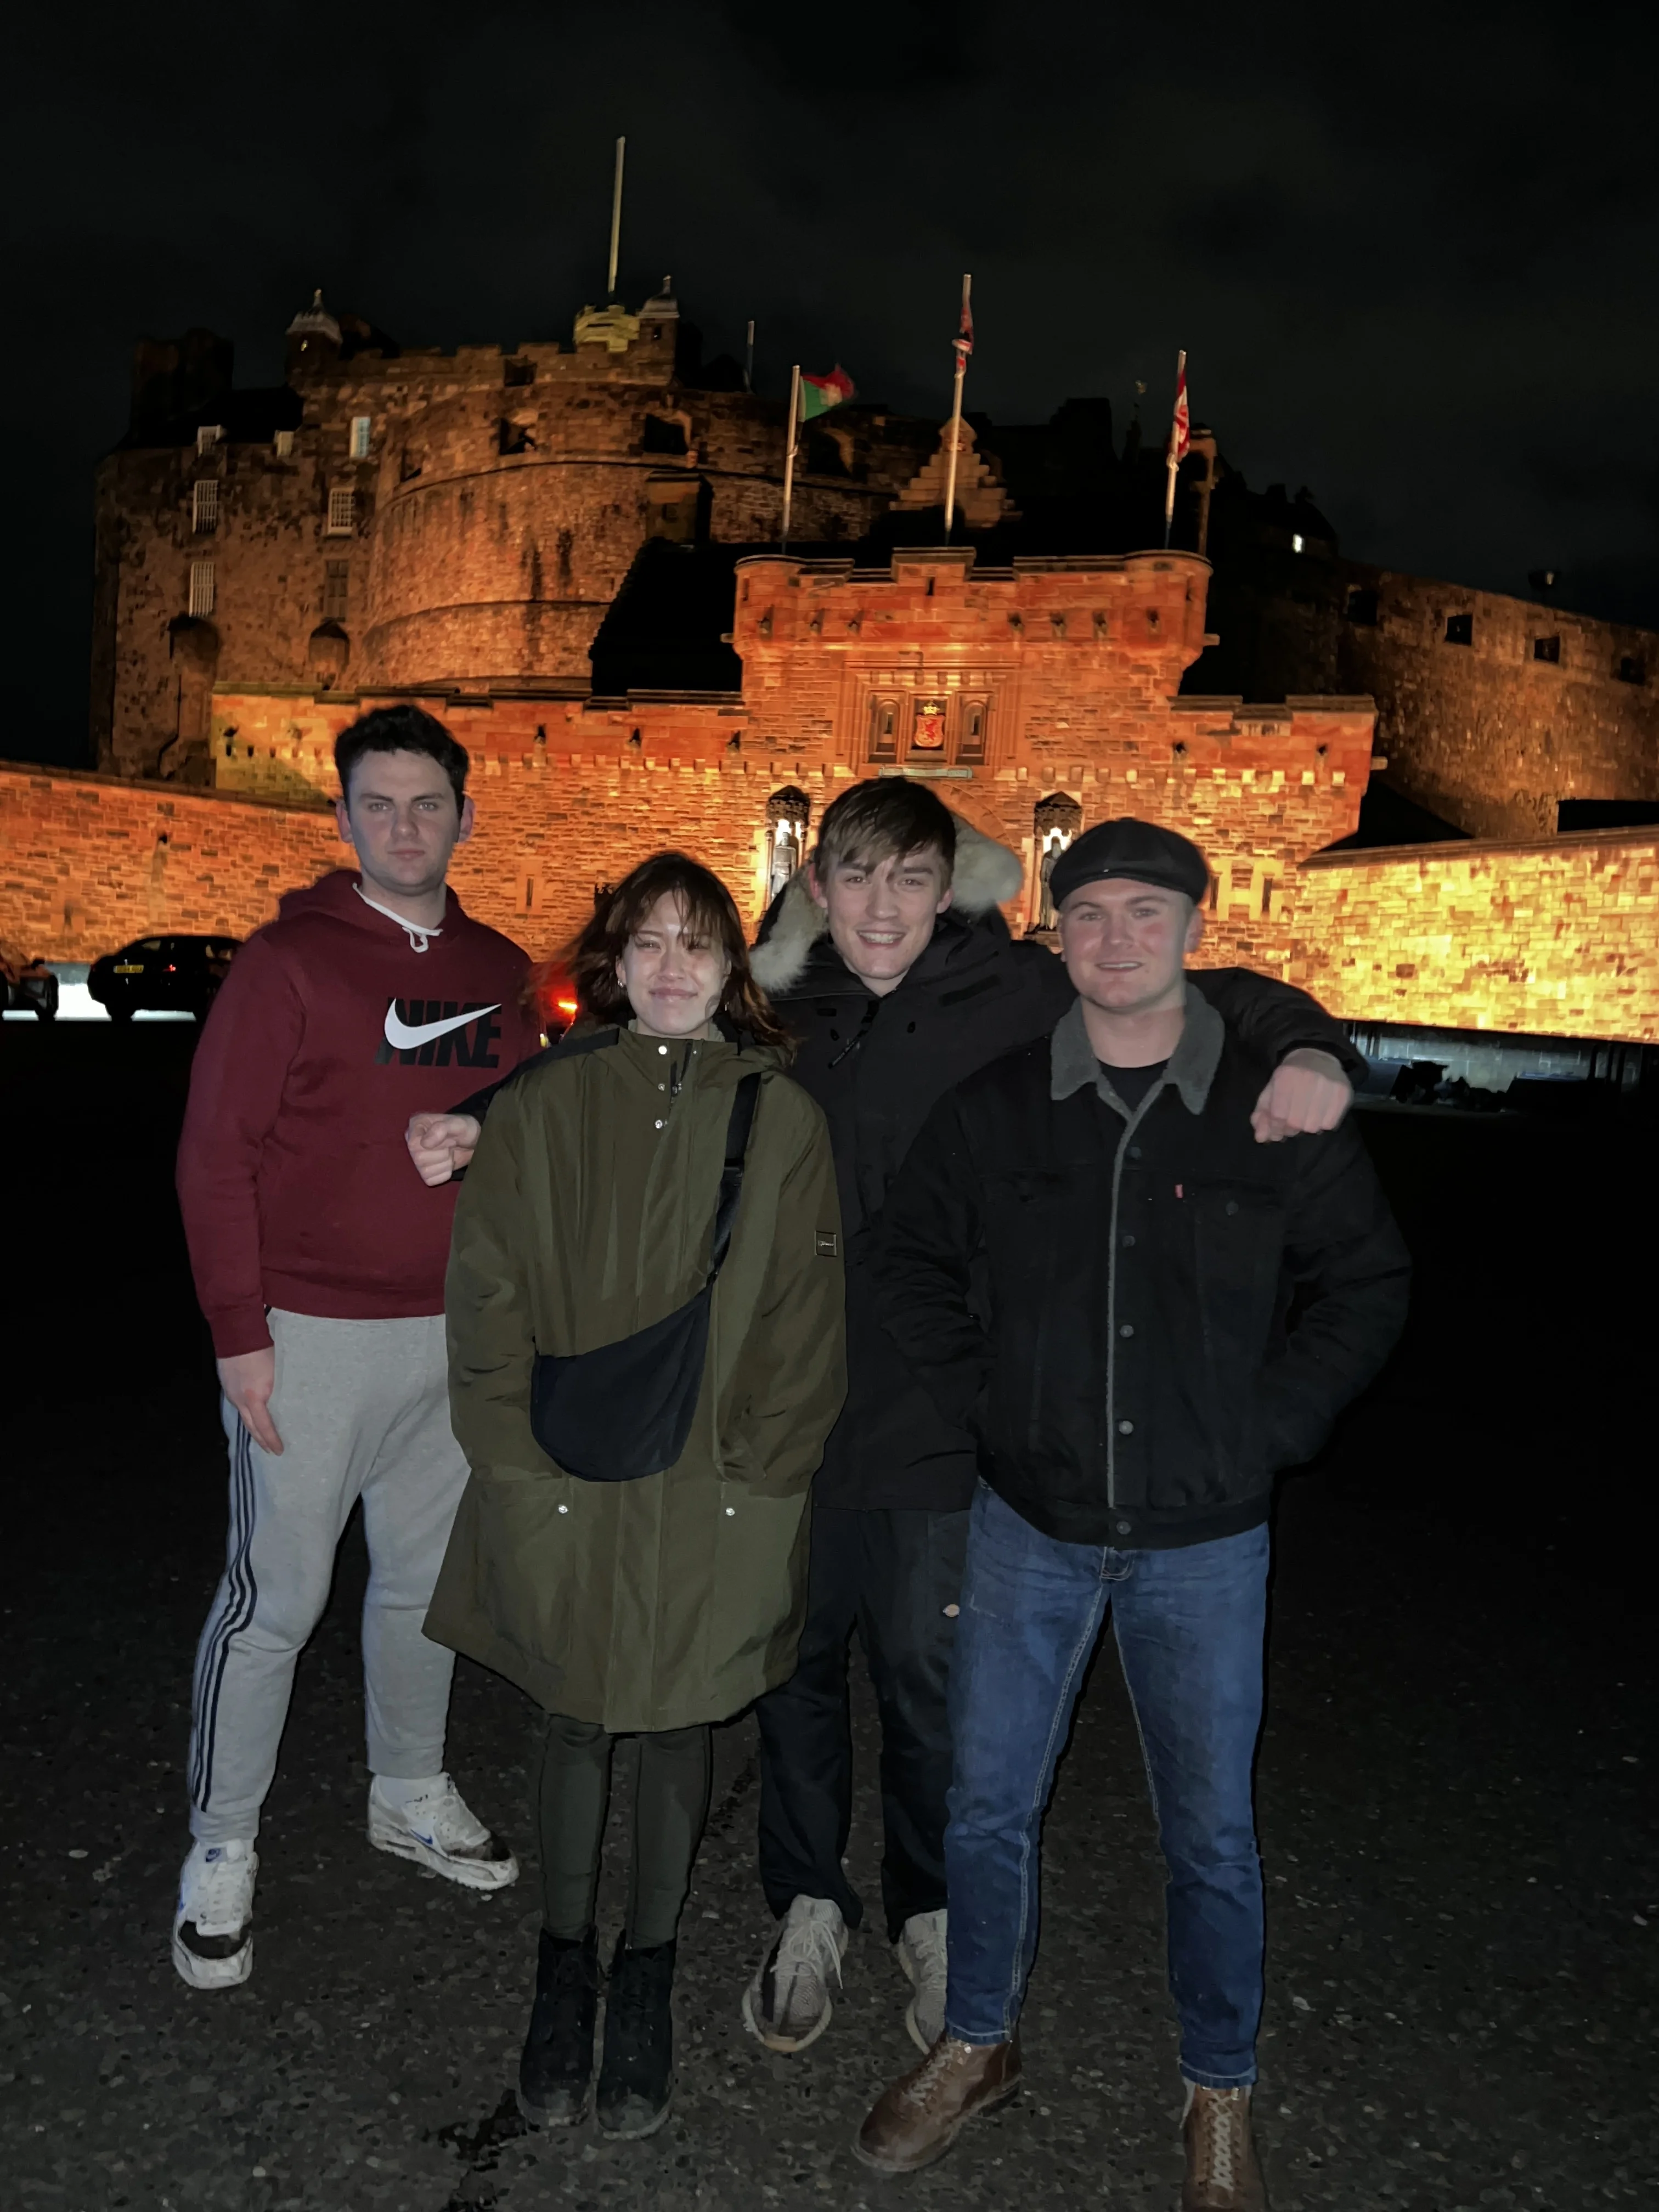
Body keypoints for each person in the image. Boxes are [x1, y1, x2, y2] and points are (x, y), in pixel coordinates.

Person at [407, 781, 1366, 2060]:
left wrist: (1310, 1046)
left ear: (949, 887)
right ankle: (806, 1901)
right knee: (788, 1668)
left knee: (928, 1679)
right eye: (855, 878)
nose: (881, 908)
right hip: (770, 1400)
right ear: (818, 886)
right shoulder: (779, 1001)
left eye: (910, 880)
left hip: (938, 1407)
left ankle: (924, 1906)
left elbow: (1203, 992)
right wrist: (478, 1122)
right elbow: (624, 1050)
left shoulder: (1020, 993)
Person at [853, 819, 1410, 2208]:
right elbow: (912, 1255)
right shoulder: (997, 1108)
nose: (1114, 939)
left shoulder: (1270, 1103)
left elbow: (1369, 1284)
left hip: (1205, 1542)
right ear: (1057, 931)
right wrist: (991, 1406)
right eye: (1087, 914)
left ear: (1193, 927)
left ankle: (1218, 2084)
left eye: (1143, 913)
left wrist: (1268, 1433)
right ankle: (976, 2040)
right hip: (1029, 1523)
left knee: (1211, 1833)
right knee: (986, 1809)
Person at [422, 853, 846, 2140]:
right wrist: (507, 1457)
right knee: (570, 1714)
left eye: (698, 946)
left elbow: (804, 1317)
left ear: (734, 971)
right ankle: (564, 1964)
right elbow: (485, 1288)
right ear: (614, 962)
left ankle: (648, 1970)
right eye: (649, 943)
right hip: (563, 1475)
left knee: (677, 1723)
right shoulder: (548, 1104)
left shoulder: (781, 1119)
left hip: (717, 1483)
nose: (672, 968)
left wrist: (766, 1476)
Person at [171, 705, 542, 1993]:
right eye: (376, 804)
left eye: (426, 803)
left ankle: (408, 1787)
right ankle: (221, 1846)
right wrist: (239, 1335)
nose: (402, 825)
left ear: (464, 818)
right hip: (309, 1339)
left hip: (449, 1337)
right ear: (341, 818)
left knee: (421, 1591)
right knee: (275, 1605)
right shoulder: (288, 962)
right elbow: (214, 1157)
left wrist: (494, 1133)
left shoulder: (499, 968)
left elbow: (531, 1120)